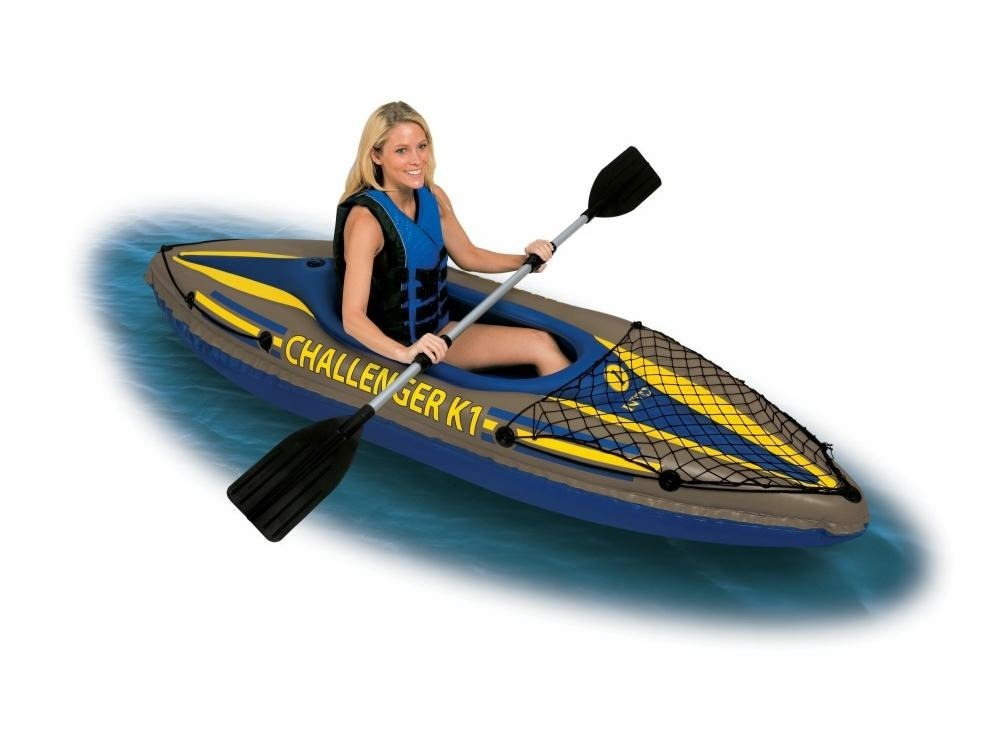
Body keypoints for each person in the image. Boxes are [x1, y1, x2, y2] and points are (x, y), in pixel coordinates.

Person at [333, 101, 571, 376]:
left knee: (541, 343)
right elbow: (353, 317)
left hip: (440, 333)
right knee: (539, 348)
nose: (416, 160)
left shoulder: (434, 197)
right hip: (399, 347)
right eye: (401, 151)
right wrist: (405, 353)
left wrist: (525, 260)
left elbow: (468, 256)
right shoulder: (367, 221)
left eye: (422, 146)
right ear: (376, 155)